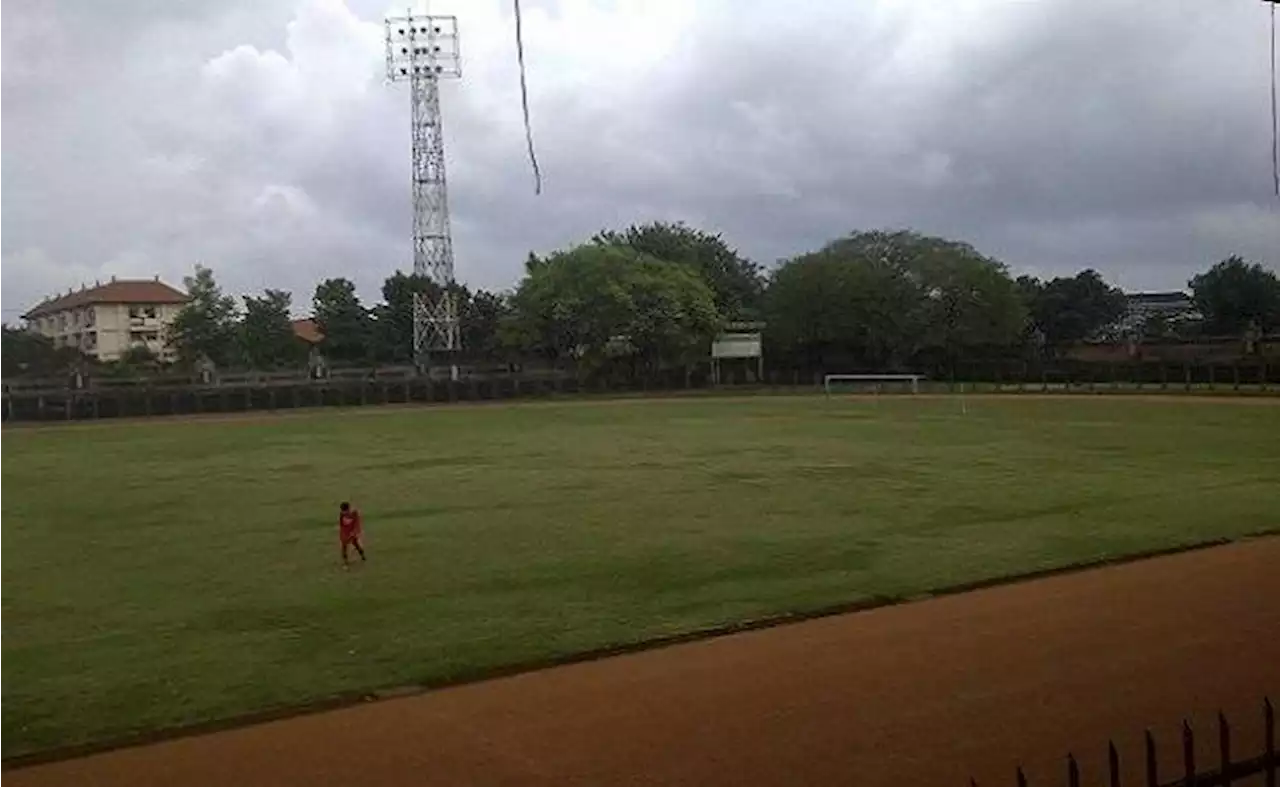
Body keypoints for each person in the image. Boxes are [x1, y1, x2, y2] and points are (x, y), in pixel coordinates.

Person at [338, 501, 367, 568]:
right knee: (344, 546)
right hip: (345, 532)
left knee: (356, 544)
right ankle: (345, 560)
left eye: (345, 511)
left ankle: (362, 555)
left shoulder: (354, 514)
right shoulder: (342, 514)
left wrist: (355, 532)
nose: (344, 513)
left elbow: (357, 523)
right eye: (343, 511)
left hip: (352, 531)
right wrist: (343, 533)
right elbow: (341, 524)